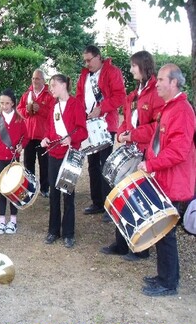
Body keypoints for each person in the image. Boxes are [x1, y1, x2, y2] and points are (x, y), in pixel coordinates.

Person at [137, 63, 195, 296]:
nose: (157, 83)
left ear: (174, 83)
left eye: (161, 79)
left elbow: (178, 151)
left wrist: (151, 164)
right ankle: (164, 276)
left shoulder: (181, 110)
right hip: (165, 179)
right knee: (161, 231)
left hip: (174, 181)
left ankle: (169, 283)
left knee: (166, 232)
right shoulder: (171, 107)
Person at [101, 51, 165, 261]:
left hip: (145, 154)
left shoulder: (155, 92)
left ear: (143, 66)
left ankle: (140, 248)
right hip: (133, 151)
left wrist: (133, 134)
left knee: (136, 200)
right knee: (122, 195)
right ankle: (121, 243)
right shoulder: (136, 92)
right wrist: (121, 131)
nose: (130, 70)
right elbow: (128, 119)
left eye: (133, 66)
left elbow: (158, 127)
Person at [76, 45, 125, 220]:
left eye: (89, 60)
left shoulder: (112, 72)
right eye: (85, 61)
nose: (87, 63)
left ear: (99, 57)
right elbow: (79, 97)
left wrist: (101, 108)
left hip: (105, 124)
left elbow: (120, 96)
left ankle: (108, 205)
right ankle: (97, 202)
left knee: (106, 165)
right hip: (89, 124)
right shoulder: (84, 75)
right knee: (93, 165)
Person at [40, 75, 88, 248]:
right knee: (54, 193)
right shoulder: (53, 105)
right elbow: (49, 127)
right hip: (54, 154)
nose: (51, 88)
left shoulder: (76, 105)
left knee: (68, 194)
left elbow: (83, 131)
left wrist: (71, 139)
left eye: (53, 85)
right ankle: (53, 231)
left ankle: (68, 233)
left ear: (63, 85)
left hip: (70, 155)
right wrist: (46, 138)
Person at [0, 89, 27, 235]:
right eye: (1, 103)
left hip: (13, 161)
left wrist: (21, 145)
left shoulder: (19, 120)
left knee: (14, 191)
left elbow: (26, 136)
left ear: (13, 103)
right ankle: (1, 221)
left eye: (7, 103)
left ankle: (13, 221)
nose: (4, 106)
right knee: (2, 190)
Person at [17, 69, 53, 198]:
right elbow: (18, 110)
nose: (35, 81)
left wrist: (41, 109)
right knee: (28, 163)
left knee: (44, 163)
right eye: (33, 78)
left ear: (43, 80)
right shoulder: (27, 94)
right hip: (29, 135)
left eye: (37, 79)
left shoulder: (49, 95)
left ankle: (45, 188)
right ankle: (30, 188)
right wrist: (26, 110)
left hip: (43, 135)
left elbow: (54, 113)